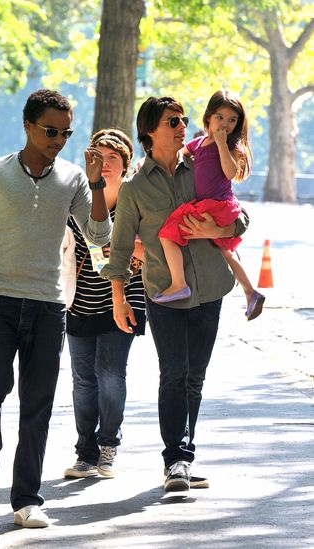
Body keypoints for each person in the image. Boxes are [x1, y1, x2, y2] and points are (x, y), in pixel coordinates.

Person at [0, 89, 112, 528]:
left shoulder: (75, 178)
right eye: (50, 130)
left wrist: (96, 184)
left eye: (66, 132)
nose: (58, 139)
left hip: (47, 306)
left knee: (36, 404)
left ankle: (26, 499)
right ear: (28, 125)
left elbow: (98, 236)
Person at [101, 96, 249, 493]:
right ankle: (177, 459)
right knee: (175, 373)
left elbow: (237, 212)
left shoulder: (200, 161)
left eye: (183, 119)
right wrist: (118, 297)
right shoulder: (133, 186)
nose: (182, 125)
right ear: (150, 130)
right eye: (173, 121)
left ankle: (184, 456)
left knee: (194, 378)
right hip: (163, 294)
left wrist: (223, 231)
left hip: (211, 288)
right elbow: (118, 249)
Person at [64, 129, 146, 480]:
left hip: (125, 298)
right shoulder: (76, 198)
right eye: (99, 156)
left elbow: (155, 245)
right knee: (83, 380)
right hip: (80, 299)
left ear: (126, 165)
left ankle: (108, 444)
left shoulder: (136, 199)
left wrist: (131, 249)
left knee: (110, 375)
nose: (105, 163)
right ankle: (85, 452)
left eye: (113, 157)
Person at [154, 90, 265, 321]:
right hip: (211, 206)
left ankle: (179, 284)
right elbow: (177, 156)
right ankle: (250, 291)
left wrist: (222, 144)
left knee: (167, 234)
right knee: (226, 250)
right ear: (208, 117)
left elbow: (230, 172)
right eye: (220, 117)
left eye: (232, 120)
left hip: (217, 206)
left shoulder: (229, 147)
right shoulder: (198, 143)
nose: (225, 123)